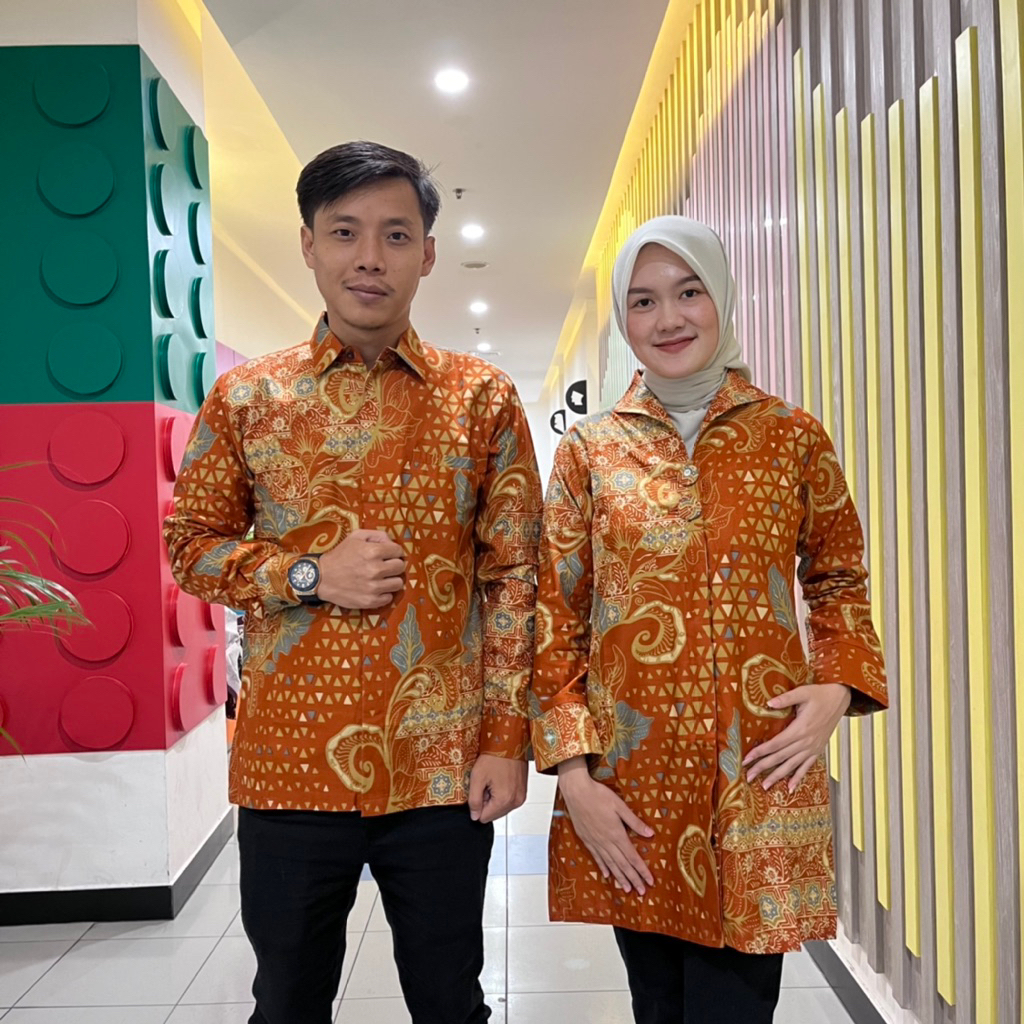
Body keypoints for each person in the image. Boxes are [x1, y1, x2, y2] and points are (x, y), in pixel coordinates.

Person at [165, 140, 542, 1024]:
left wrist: (506, 738)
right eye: (345, 232)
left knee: (450, 1002)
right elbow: (190, 547)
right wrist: (306, 573)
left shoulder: (482, 398)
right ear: (308, 245)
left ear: (428, 255)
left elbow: (516, 575)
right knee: (287, 1002)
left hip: (443, 771)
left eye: (396, 235)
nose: (370, 257)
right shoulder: (248, 399)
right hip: (289, 766)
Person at [528, 216, 887, 1024]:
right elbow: (555, 618)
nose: (669, 318)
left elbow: (838, 576)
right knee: (657, 1003)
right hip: (632, 788)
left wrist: (837, 687)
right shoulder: (590, 451)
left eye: (688, 292)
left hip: (762, 772)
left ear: (721, 296)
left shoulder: (790, 437)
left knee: (739, 1006)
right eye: (643, 301)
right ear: (624, 319)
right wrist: (574, 778)